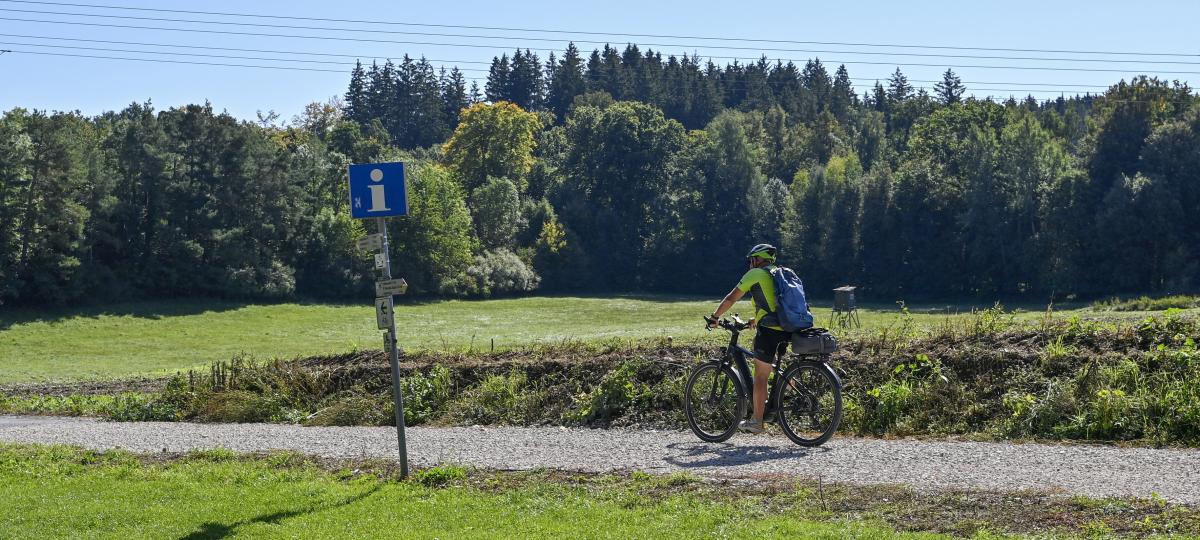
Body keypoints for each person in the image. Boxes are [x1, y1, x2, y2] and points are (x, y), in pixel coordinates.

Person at [706, 243, 790, 434]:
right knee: (772, 367)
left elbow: (731, 298)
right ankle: (785, 390)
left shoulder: (756, 274)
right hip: (787, 326)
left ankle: (757, 422)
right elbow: (776, 303)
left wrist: (715, 317)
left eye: (751, 260)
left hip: (769, 330)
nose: (750, 264)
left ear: (757, 259)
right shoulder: (780, 272)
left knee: (760, 376)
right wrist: (756, 318)